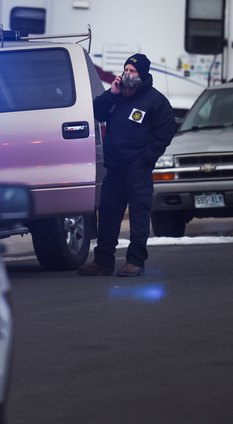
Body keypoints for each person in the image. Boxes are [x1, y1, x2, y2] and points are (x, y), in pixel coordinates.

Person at [79, 53, 175, 277]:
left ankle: (135, 261)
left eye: (133, 71)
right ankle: (103, 260)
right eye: (126, 70)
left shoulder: (155, 100)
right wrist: (110, 94)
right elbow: (96, 112)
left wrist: (146, 158)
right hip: (114, 167)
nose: (128, 75)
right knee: (109, 213)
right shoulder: (117, 96)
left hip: (137, 167)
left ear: (142, 74)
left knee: (139, 215)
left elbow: (165, 132)